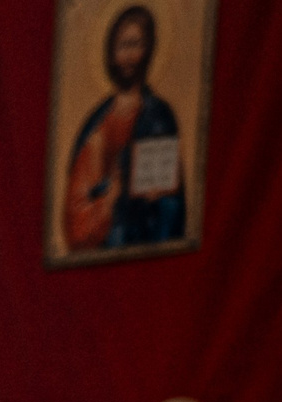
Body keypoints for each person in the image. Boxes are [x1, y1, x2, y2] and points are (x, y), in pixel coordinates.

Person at [61, 4, 187, 252]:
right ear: (111, 52)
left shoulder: (159, 117)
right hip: (100, 245)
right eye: (122, 46)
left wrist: (157, 199)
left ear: (148, 49)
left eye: (135, 44)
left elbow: (174, 203)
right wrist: (109, 196)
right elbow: (76, 209)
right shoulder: (97, 122)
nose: (128, 57)